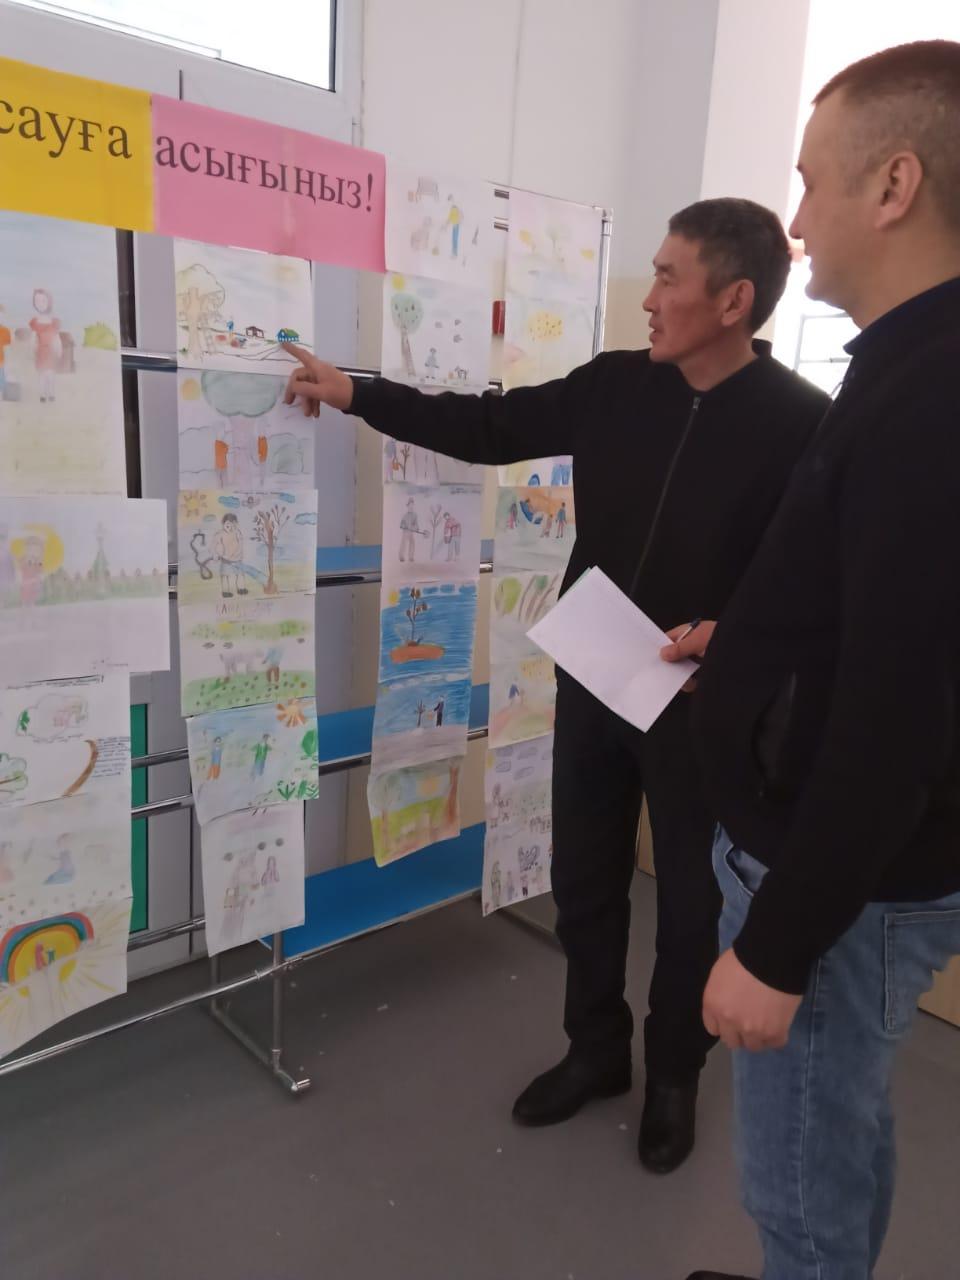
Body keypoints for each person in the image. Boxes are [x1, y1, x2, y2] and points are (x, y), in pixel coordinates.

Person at [281, 198, 829, 1174]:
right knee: (583, 877)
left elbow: (816, 582)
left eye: (668, 278)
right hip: (595, 675)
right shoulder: (615, 384)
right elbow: (489, 425)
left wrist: (736, 646)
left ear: (734, 300)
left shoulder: (804, 424)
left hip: (702, 705)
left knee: (692, 907)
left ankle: (673, 1075)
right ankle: (596, 1049)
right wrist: (357, 393)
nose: (648, 298)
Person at [661, 42, 960, 1280]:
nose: (795, 222)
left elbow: (901, 716)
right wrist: (752, 644)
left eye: (809, 182)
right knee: (842, 1130)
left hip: (836, 890)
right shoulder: (903, 368)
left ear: (893, 186)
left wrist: (777, 947)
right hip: (846, 873)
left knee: (799, 1186)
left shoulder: (932, 400)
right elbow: (881, 620)